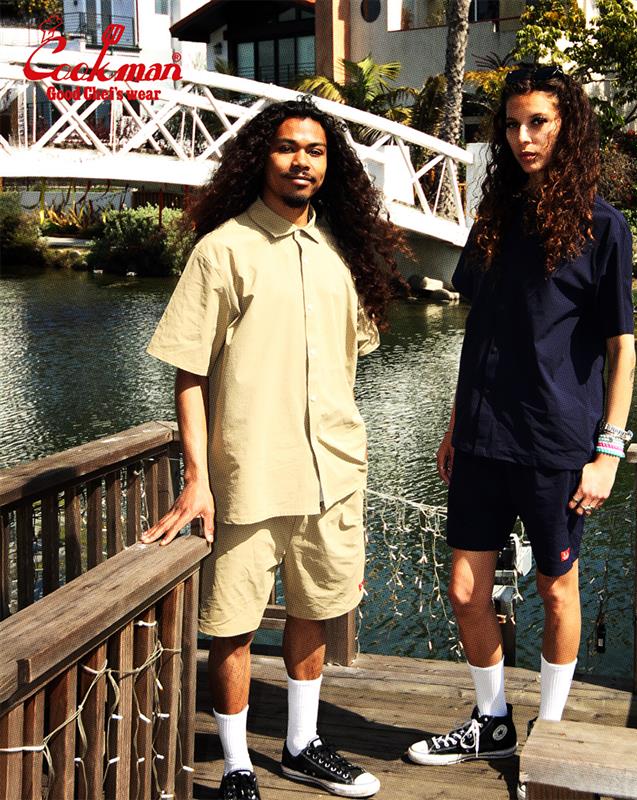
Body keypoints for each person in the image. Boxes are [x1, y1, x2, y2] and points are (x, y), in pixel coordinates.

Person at [142, 97, 405, 800]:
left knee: (315, 610)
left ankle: (301, 746)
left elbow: (348, 363)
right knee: (230, 626)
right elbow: (189, 373)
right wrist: (197, 478)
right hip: (249, 476)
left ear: (330, 164)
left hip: (333, 477)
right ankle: (235, 766)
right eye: (287, 147)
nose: (301, 162)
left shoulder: (339, 253)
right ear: (261, 157)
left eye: (315, 151)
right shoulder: (222, 250)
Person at [406, 65, 636, 800]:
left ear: (567, 126)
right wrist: (454, 424)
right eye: (511, 124)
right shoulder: (495, 217)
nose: (523, 137)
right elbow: (478, 331)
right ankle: (494, 719)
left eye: (538, 122)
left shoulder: (604, 226)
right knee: (464, 589)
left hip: (555, 443)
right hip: (480, 439)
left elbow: (622, 348)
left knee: (557, 590)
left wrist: (609, 451)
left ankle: (554, 736)